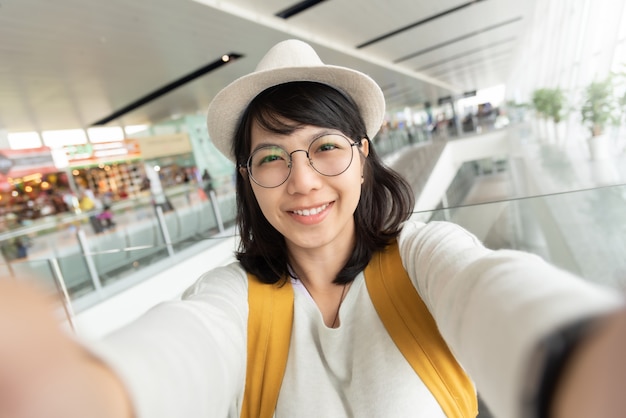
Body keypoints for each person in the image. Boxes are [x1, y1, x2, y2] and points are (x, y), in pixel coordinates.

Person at [0, 39, 625, 418]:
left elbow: (492, 291)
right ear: (249, 178)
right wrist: (88, 392)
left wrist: (591, 359)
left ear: (361, 155)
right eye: (272, 157)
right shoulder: (231, 298)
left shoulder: (424, 256)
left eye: (324, 147)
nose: (301, 181)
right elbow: (185, 347)